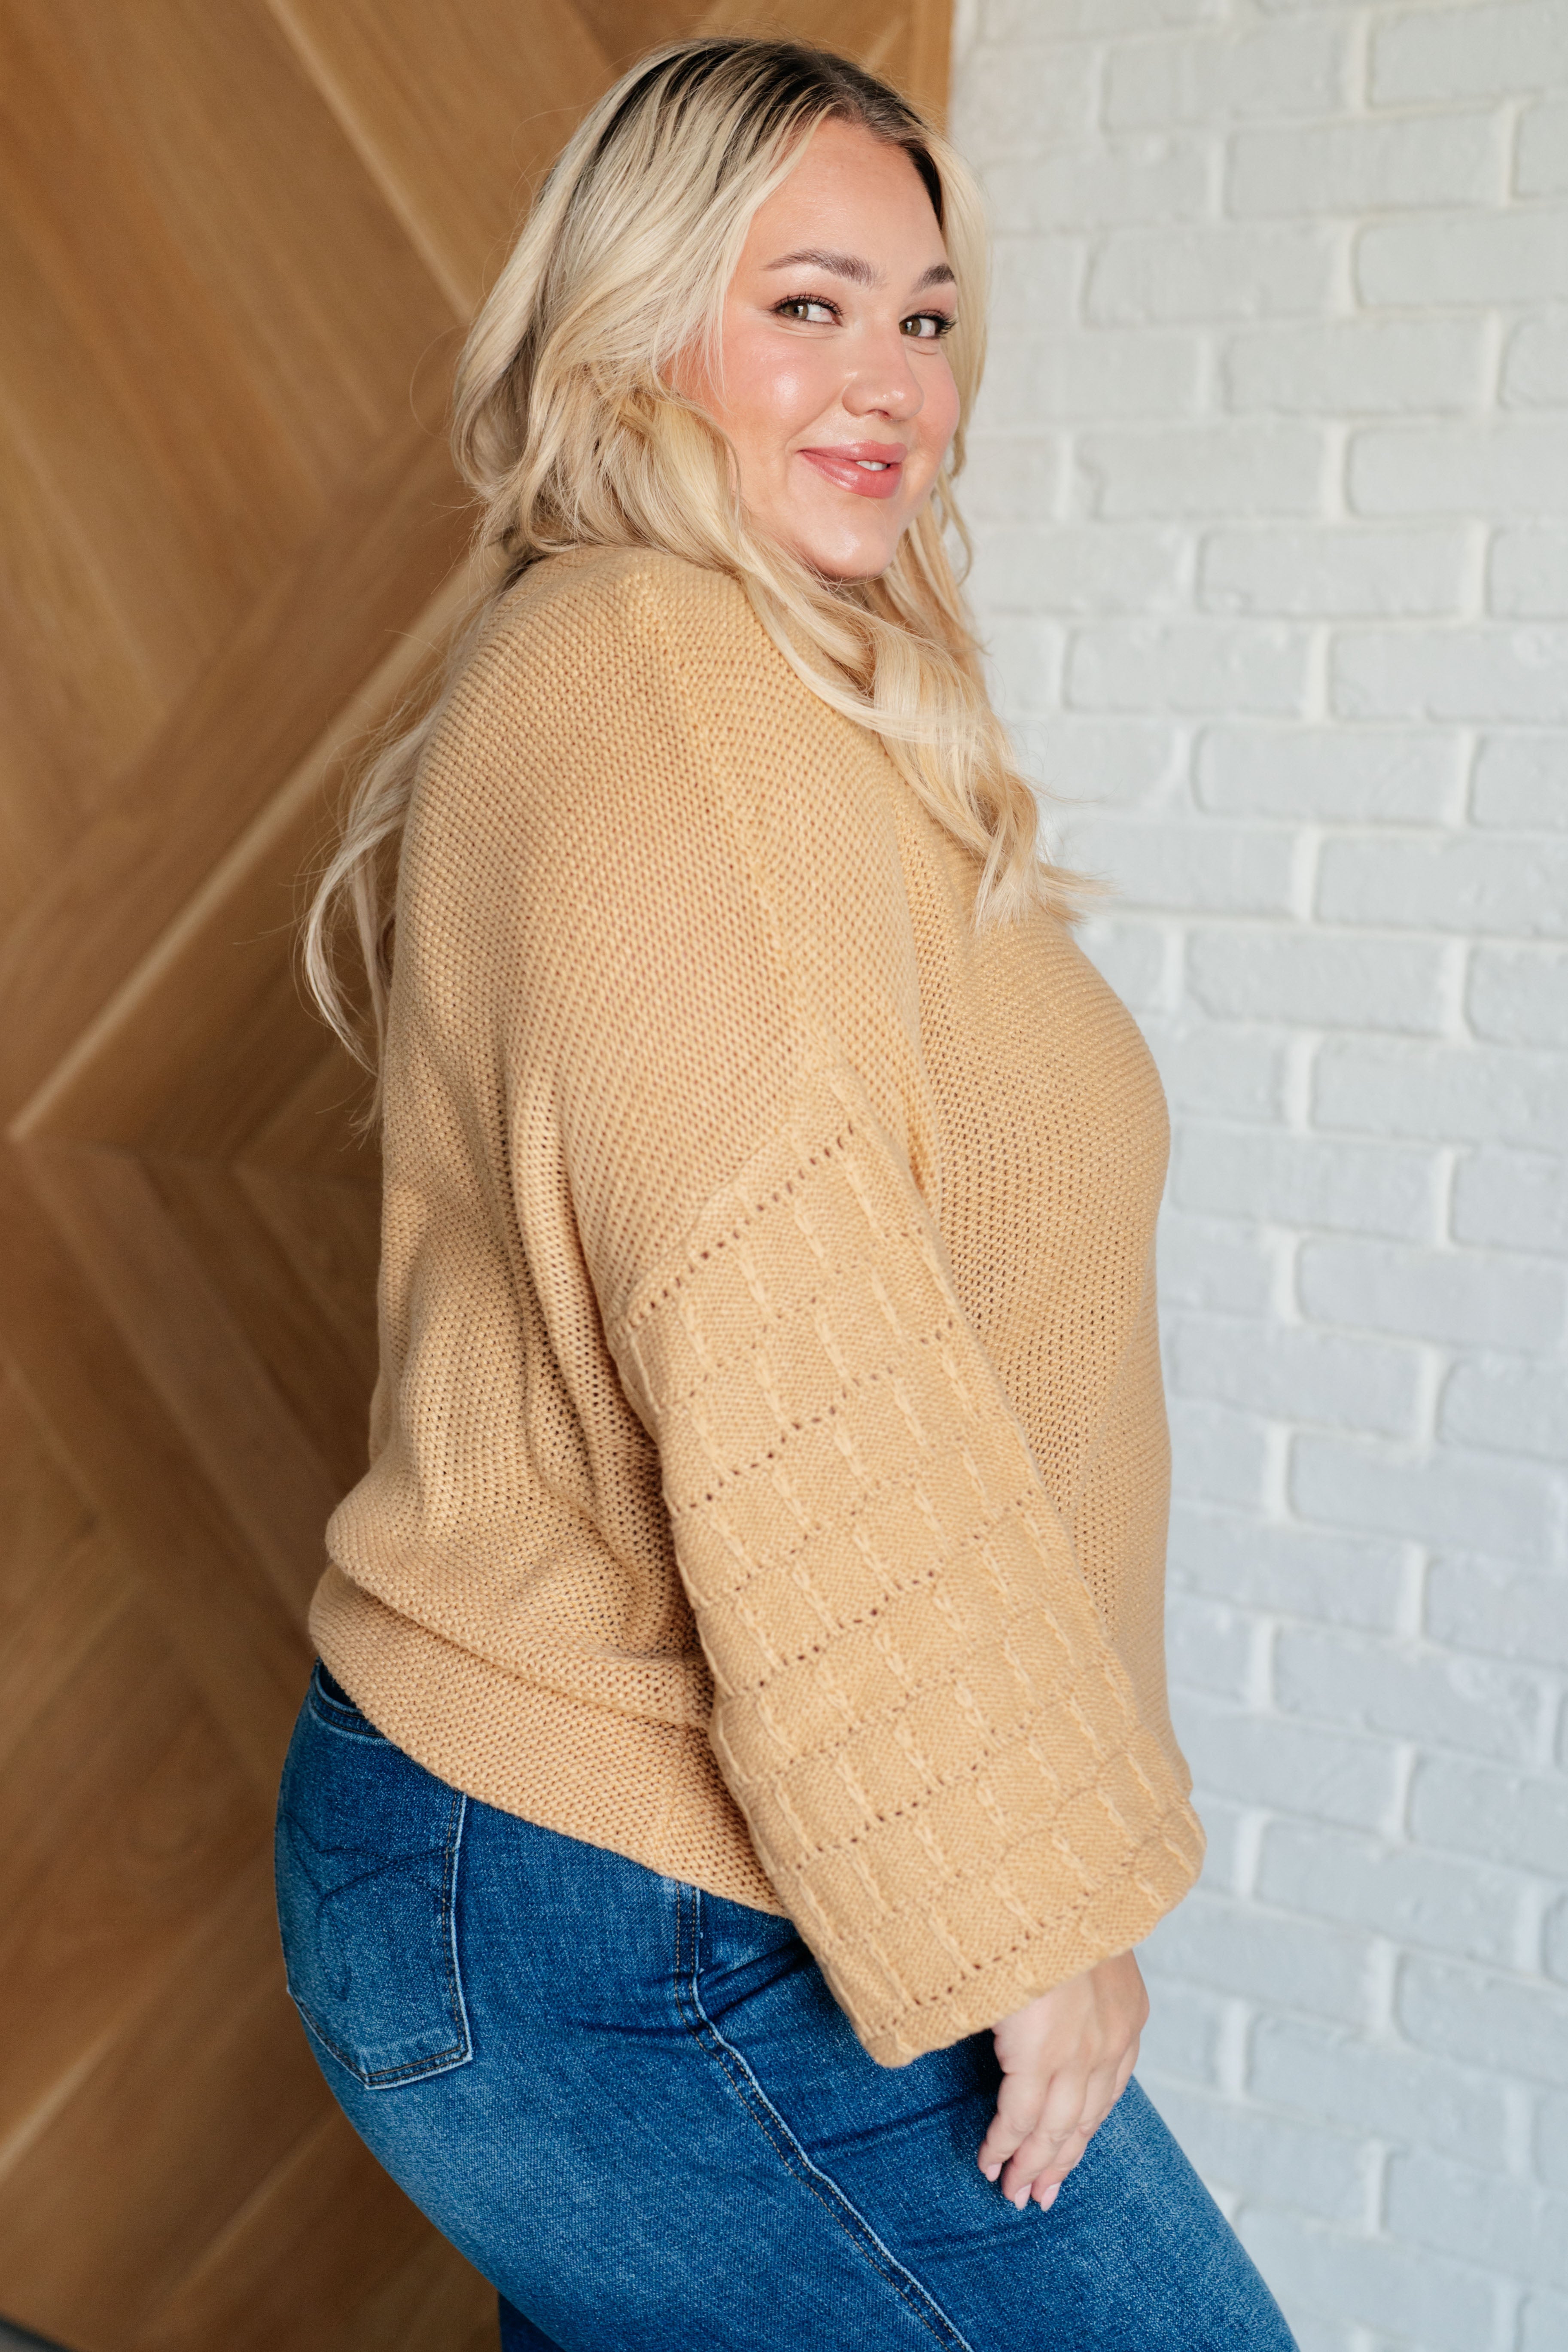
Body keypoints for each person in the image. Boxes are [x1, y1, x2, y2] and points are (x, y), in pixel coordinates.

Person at [277, 38, 1298, 2350]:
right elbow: (782, 1312)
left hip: (569, 1861)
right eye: (807, 304)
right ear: (641, 325)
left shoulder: (763, 680)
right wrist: (1017, 1898)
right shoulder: (663, 672)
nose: (888, 383)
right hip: (641, 1886)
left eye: (925, 317)